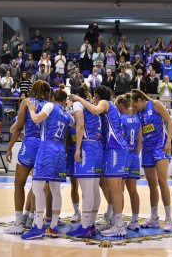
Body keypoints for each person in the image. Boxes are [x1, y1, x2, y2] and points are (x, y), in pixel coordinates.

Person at [70, 86, 129, 237]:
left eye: (94, 97)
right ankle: (114, 222)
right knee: (111, 187)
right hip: (111, 148)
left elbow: (94, 110)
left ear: (96, 96)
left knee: (115, 188)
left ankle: (119, 225)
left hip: (116, 148)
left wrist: (78, 98)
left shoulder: (105, 102)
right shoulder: (109, 108)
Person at [22, 86, 74, 240]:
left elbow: (37, 119)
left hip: (47, 148)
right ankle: (53, 227)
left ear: (53, 98)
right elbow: (74, 124)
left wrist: (31, 110)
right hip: (60, 150)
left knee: (37, 187)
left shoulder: (50, 105)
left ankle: (38, 227)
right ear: (65, 101)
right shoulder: (67, 114)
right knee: (55, 190)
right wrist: (69, 108)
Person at [4, 81, 51, 235]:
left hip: (30, 144)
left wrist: (10, 147)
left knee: (19, 183)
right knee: (38, 186)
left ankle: (18, 223)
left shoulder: (26, 102)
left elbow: (18, 127)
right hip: (44, 146)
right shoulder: (49, 105)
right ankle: (33, 220)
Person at [130, 89, 172, 231]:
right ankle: (154, 218)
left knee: (162, 181)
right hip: (147, 150)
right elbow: (140, 135)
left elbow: (170, 122)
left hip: (160, 147)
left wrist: (169, 142)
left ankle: (168, 219)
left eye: (135, 106)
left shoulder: (155, 104)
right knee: (151, 185)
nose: (135, 109)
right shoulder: (139, 112)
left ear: (139, 101)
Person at [66, 85, 103, 238]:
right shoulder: (92, 104)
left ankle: (85, 226)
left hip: (87, 147)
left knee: (87, 191)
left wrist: (77, 148)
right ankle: (91, 224)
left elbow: (80, 125)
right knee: (94, 189)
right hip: (98, 148)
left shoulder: (77, 104)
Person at [115, 94, 143, 231]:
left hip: (123, 155)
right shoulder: (137, 120)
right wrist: (135, 155)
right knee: (133, 190)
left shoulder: (120, 120)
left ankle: (117, 221)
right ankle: (135, 220)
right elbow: (139, 140)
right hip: (134, 156)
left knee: (119, 189)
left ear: (121, 105)